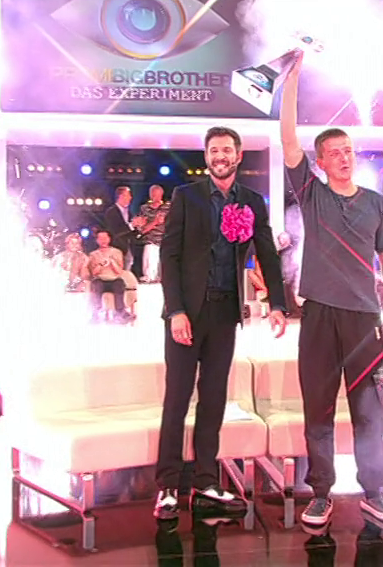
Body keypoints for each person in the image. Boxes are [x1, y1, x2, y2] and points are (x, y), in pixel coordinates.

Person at [280, 50, 383, 526]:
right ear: (319, 161)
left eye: (348, 151)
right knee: (317, 409)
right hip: (319, 315)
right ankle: (320, 492)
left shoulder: (376, 204)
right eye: (333, 152)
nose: (343, 157)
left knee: (368, 411)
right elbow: (288, 139)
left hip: (363, 320)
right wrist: (292, 80)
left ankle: (374, 491)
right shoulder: (311, 194)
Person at [154, 126, 289, 520]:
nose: (220, 156)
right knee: (177, 397)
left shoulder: (252, 202)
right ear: (207, 156)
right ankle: (167, 485)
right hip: (187, 314)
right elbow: (169, 257)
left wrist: (277, 303)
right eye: (214, 150)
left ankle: (205, 479)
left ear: (238, 155)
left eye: (227, 150)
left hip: (225, 312)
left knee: (213, 399)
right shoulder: (186, 196)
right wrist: (175, 311)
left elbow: (267, 253)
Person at [86, 230, 135, 323]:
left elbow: (119, 271)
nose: (103, 240)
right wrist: (101, 265)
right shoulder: (93, 254)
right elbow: (94, 273)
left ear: (109, 239)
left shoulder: (117, 252)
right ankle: (96, 313)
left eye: (105, 238)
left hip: (114, 279)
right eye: (100, 238)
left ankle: (121, 313)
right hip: (100, 279)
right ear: (97, 240)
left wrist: (112, 262)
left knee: (119, 285)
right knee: (96, 285)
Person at [103, 186, 147, 273]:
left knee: (126, 274)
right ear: (121, 196)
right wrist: (132, 224)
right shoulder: (111, 212)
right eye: (128, 195)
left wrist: (139, 227)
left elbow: (130, 231)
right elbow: (116, 231)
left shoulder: (129, 213)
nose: (131, 198)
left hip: (128, 250)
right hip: (116, 249)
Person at [138, 184, 170, 283]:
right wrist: (155, 222)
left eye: (158, 195)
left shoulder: (168, 207)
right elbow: (142, 229)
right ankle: (150, 279)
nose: (155, 197)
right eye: (153, 195)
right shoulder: (144, 209)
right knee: (150, 262)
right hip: (151, 241)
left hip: (166, 242)